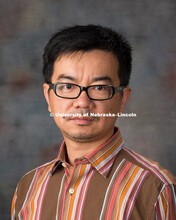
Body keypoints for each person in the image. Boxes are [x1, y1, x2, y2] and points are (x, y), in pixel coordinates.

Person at [11, 24, 176, 220]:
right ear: (49, 97)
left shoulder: (155, 188)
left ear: (122, 99)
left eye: (99, 88)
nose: (82, 102)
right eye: (67, 86)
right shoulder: (29, 187)